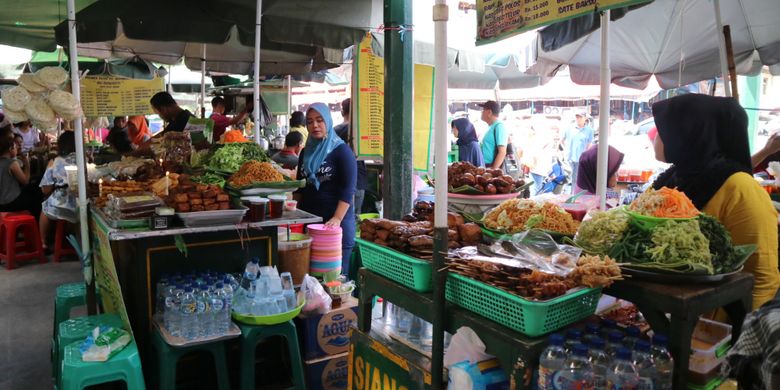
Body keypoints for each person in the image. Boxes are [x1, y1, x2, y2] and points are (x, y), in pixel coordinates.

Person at [651, 94, 780, 310]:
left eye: (663, 131)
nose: (657, 138)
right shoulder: (673, 178)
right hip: (668, 308)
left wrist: (739, 334)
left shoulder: (741, 189)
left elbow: (761, 276)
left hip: (715, 323)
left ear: (690, 133)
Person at [295, 103, 357, 273]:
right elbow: (301, 186)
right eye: (309, 121)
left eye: (319, 120)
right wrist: (294, 213)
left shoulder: (342, 151)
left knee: (334, 282)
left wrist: (336, 219)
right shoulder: (305, 153)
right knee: (312, 281)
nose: (314, 125)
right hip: (310, 224)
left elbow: (348, 190)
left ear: (328, 121)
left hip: (334, 227)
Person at [39, 131, 78, 250]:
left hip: (59, 205)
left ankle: (43, 242)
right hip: (78, 204)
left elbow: (45, 190)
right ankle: (74, 240)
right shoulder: (82, 160)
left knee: (44, 209)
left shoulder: (54, 162)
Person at [334, 98, 367, 217]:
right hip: (359, 180)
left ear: (342, 112)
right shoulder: (361, 131)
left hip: (341, 182)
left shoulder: (335, 131)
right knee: (354, 218)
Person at [561, 111, 594, 188]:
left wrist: (585, 155)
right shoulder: (569, 128)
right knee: (567, 179)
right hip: (569, 159)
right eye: (577, 117)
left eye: (580, 117)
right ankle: (567, 196)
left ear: (585, 118)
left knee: (577, 180)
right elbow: (561, 140)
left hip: (581, 159)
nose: (578, 119)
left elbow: (589, 144)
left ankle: (573, 197)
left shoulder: (589, 130)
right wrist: (565, 150)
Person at [0, 135, 31, 212]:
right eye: (15, 147)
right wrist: (27, 163)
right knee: (35, 192)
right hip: (11, 203)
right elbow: (25, 181)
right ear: (10, 149)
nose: (17, 148)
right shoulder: (12, 163)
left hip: (1, 204)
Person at [478, 100, 508, 169]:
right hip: (485, 166)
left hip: (491, 166)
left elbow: (502, 152)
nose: (481, 112)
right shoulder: (490, 126)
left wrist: (493, 171)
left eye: (483, 110)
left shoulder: (499, 126)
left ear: (489, 112)